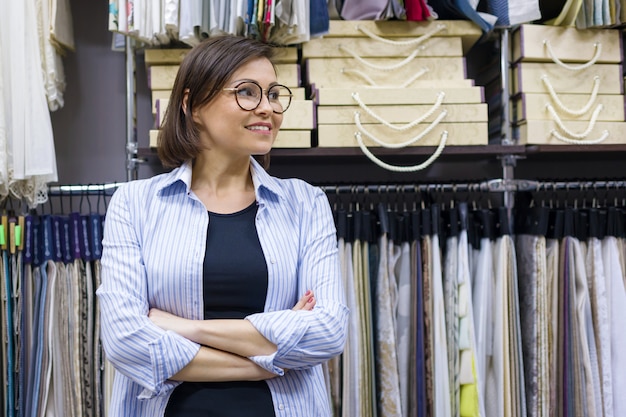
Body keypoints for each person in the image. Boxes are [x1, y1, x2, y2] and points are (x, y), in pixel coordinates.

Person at [96, 34, 348, 417]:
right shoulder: (135, 205)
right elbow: (126, 341)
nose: (268, 108)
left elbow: (328, 332)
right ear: (192, 105)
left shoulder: (305, 203)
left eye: (274, 94)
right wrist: (268, 358)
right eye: (247, 92)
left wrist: (183, 328)